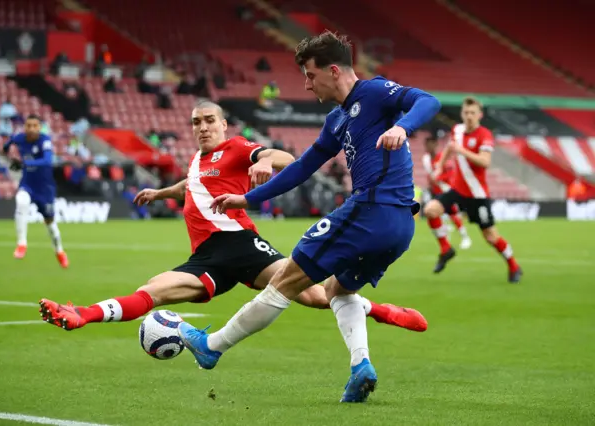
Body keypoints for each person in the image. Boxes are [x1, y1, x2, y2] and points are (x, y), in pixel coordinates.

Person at [175, 31, 441, 403]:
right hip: (398, 228)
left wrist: (402, 126)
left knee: (287, 279)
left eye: (310, 76)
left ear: (334, 71)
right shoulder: (336, 120)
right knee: (337, 290)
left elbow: (429, 101)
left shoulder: (377, 92)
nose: (305, 85)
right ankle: (360, 367)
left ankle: (212, 346)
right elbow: (301, 168)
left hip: (371, 211)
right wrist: (247, 198)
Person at [38, 101, 427, 334]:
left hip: (242, 245)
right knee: (152, 289)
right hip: (206, 256)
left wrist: (266, 165)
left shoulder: (238, 147)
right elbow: (192, 185)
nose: (203, 127)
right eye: (196, 122)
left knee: (315, 295)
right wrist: (162, 192)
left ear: (223, 125)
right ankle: (81, 316)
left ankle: (383, 312)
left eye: (209, 120)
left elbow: (284, 158)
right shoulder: (196, 162)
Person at [422, 97, 522, 282]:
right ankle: (446, 249)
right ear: (462, 114)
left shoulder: (484, 135)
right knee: (430, 210)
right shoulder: (457, 130)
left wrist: (462, 150)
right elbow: (450, 148)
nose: (469, 116)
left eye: (472, 113)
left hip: (477, 195)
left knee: (491, 237)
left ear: (479, 115)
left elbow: (485, 161)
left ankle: (513, 266)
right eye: (466, 113)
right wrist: (439, 167)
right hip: (457, 190)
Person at [3, 114, 69, 267]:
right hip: (28, 183)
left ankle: (59, 251)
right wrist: (7, 151)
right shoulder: (19, 138)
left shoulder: (44, 140)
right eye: (28, 125)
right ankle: (22, 244)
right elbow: (8, 143)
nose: (31, 129)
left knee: (50, 224)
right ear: (24, 127)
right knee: (21, 201)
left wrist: (24, 162)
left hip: (45, 188)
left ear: (39, 127)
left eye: (35, 126)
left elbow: (47, 160)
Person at [422, 134, 472, 252]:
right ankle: (445, 239)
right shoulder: (426, 159)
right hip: (435, 191)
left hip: (445, 191)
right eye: (427, 144)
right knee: (436, 215)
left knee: (453, 214)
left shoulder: (441, 158)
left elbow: (450, 174)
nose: (429, 147)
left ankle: (465, 237)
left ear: (435, 145)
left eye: (431, 144)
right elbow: (430, 176)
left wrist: (439, 178)